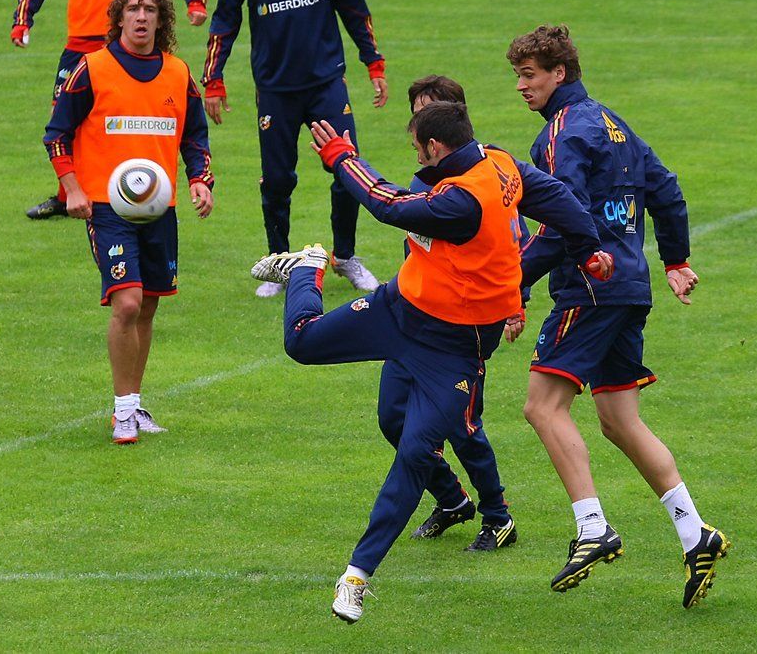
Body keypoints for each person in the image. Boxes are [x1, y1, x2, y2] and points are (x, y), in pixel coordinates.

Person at [251, 102, 612, 623]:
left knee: (415, 454)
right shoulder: (498, 162)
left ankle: (355, 578)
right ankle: (308, 266)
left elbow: (388, 203)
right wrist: (588, 247)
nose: (415, 155)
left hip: (453, 350)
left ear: (436, 147)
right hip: (399, 310)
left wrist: (342, 158)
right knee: (302, 343)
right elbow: (557, 197)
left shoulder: (462, 200)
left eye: (417, 147)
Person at [508, 24, 730, 608]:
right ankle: (696, 533)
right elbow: (667, 191)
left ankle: (593, 527)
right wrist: (675, 259)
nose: (521, 87)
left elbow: (563, 218)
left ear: (559, 72)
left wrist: (513, 283)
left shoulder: (561, 133)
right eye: (518, 76)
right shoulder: (615, 125)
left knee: (542, 405)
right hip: (630, 288)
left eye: (529, 75)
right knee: (619, 420)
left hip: (590, 289)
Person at [44, 0, 214, 444]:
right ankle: (122, 413)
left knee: (149, 304)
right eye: (134, 9)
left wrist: (200, 180)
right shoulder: (92, 68)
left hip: (160, 208)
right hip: (106, 207)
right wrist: (72, 190)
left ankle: (134, 404)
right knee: (128, 302)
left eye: (150, 10)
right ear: (118, 17)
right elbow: (57, 135)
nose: (141, 17)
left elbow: (194, 136)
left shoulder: (178, 73)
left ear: (161, 20)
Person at [395, 76, 533, 543]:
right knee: (394, 417)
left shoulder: (482, 181)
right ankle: (452, 499)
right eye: (416, 113)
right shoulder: (422, 180)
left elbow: (511, 243)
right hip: (413, 318)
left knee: (462, 423)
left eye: (429, 112)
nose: (419, 124)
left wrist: (516, 304)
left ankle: (498, 516)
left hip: (464, 324)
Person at [202, 0, 387, 297]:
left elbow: (353, 6)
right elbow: (225, 17)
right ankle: (278, 264)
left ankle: (345, 257)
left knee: (348, 169)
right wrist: (213, 78)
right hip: (274, 89)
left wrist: (373, 62)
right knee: (276, 180)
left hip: (326, 83)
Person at [12, 0, 207, 220]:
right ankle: (69, 195)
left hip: (138, 34)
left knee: (140, 114)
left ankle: (139, 190)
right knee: (62, 116)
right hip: (83, 37)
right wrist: (23, 18)